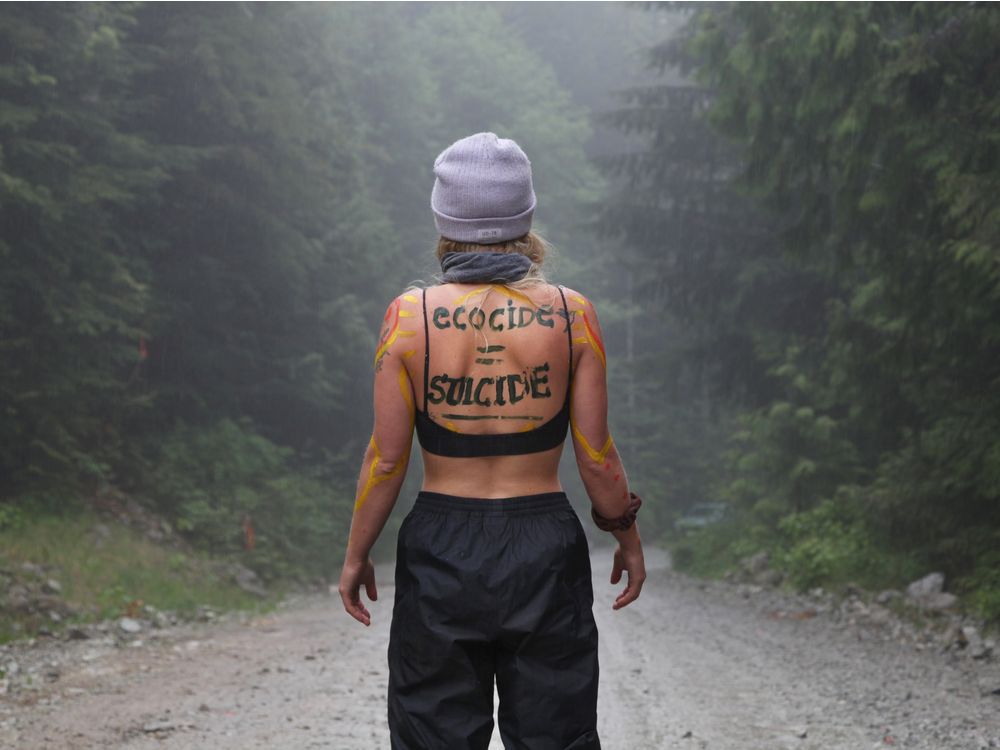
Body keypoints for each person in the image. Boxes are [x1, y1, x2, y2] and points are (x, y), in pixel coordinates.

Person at [338, 132, 646, 750]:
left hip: (442, 545)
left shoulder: (408, 317)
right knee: (556, 736)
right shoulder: (572, 315)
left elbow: (387, 459)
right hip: (544, 546)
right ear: (525, 218)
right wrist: (626, 536)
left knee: (433, 734)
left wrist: (356, 554)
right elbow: (596, 455)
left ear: (443, 220)